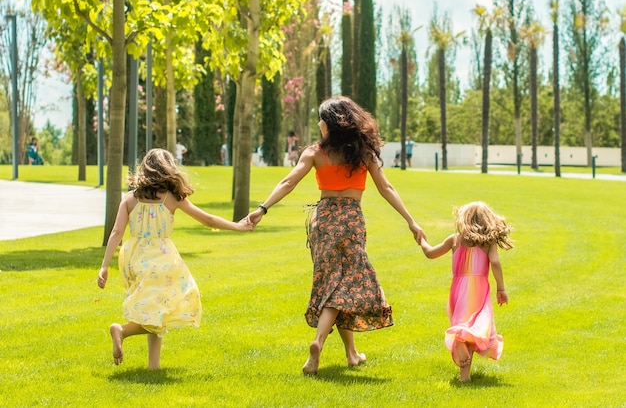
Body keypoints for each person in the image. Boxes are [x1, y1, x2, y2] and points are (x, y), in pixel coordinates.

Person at [246, 96, 425, 375]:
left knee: (333, 283)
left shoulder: (315, 152)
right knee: (343, 287)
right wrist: (411, 221)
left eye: (321, 119)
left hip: (324, 221)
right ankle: (319, 341)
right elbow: (386, 188)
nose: (318, 124)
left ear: (329, 124)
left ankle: (351, 354)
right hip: (351, 220)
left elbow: (288, 181)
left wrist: (262, 208)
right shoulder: (362, 153)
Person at [97, 148, 254, 369]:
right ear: (167, 170)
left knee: (155, 307)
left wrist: (104, 266)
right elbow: (207, 219)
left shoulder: (130, 199)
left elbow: (116, 233)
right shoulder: (172, 198)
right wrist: (237, 226)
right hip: (163, 259)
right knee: (163, 308)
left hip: (135, 259)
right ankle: (122, 331)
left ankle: (154, 365)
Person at [418, 201, 513, 382]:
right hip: (478, 290)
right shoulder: (488, 242)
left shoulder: (455, 240)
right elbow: (495, 262)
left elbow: (430, 253)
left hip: (458, 290)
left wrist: (422, 240)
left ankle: (465, 377)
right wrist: (501, 288)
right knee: (476, 328)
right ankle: (462, 358)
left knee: (467, 329)